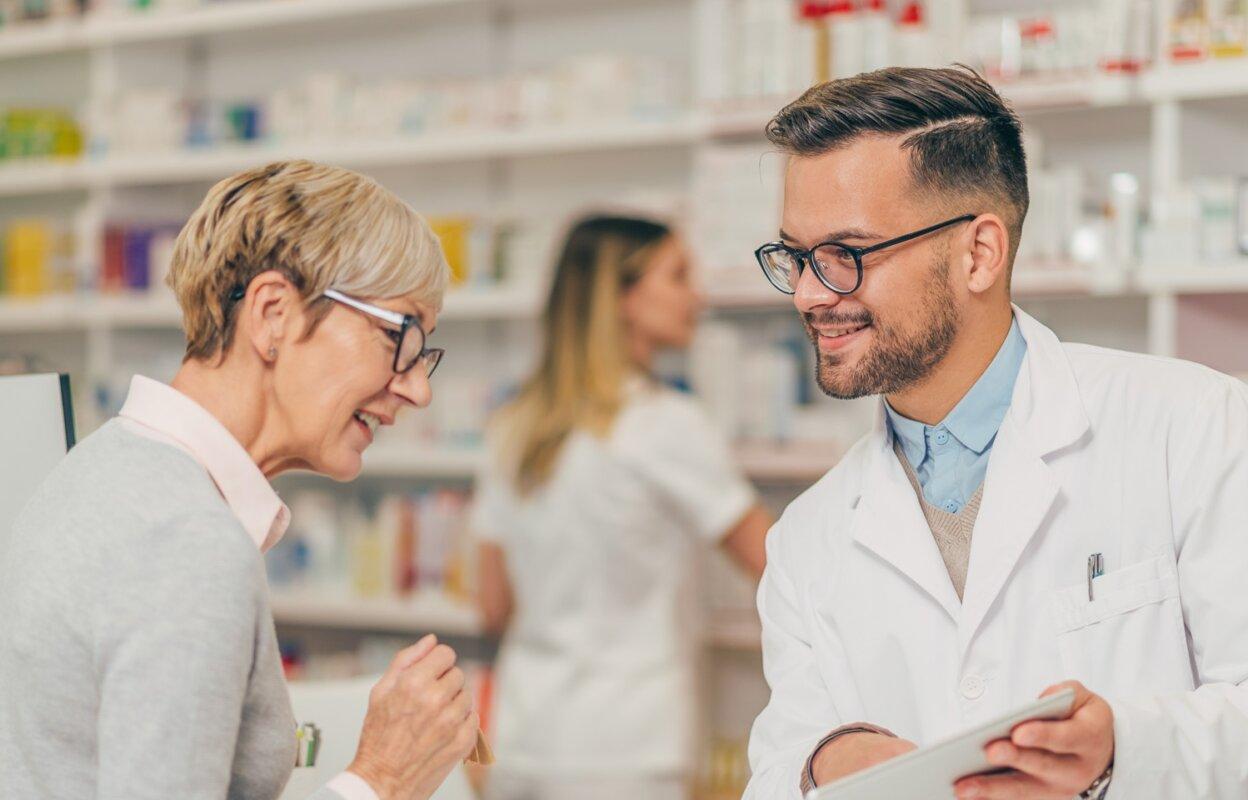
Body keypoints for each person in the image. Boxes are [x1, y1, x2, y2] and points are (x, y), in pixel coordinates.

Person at [742, 67, 1248, 800]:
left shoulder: (1193, 427)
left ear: (979, 254)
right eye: (796, 257)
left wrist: (1122, 750)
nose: (814, 294)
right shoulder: (806, 540)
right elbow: (778, 768)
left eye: (846, 255)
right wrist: (822, 764)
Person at [0, 160, 481, 800]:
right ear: (274, 313)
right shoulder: (187, 541)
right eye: (400, 336)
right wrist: (381, 781)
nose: (418, 388)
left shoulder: (101, 470)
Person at [472, 215, 773, 800]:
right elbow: (776, 563)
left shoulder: (512, 426)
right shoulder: (665, 424)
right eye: (678, 275)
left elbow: (491, 604)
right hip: (628, 751)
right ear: (622, 298)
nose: (698, 295)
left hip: (524, 738)